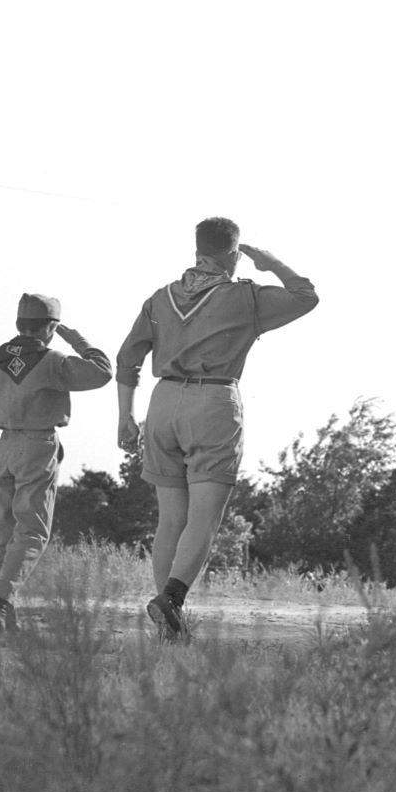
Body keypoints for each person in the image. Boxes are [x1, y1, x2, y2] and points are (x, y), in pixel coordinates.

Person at [117, 217, 317, 638]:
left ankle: (168, 623)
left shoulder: (159, 299)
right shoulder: (243, 297)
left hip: (162, 401)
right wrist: (270, 262)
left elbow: (127, 360)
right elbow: (306, 296)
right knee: (204, 517)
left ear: (196, 251)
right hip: (212, 402)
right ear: (234, 253)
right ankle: (170, 599)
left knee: (170, 519)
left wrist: (124, 416)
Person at [0, 293, 113, 633]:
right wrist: (77, 339)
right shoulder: (52, 361)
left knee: (2, 536)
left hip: (4, 449)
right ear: (50, 328)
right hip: (37, 446)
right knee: (32, 533)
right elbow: (102, 372)